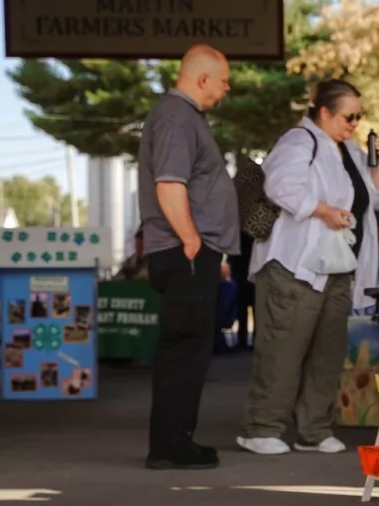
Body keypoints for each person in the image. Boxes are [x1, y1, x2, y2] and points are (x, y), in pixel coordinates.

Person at [237, 79, 379, 456]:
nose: (355, 122)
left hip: (337, 265)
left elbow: (371, 202)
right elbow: (280, 186)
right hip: (294, 264)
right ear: (324, 111)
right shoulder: (299, 141)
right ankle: (262, 426)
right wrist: (323, 210)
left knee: (327, 350)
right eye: (348, 115)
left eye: (359, 116)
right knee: (283, 346)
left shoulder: (351, 151)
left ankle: (314, 427)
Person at [137, 44, 238, 470]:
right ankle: (169, 446)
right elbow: (170, 183)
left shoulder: (185, 117)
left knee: (191, 347)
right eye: (223, 80)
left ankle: (177, 440)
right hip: (184, 250)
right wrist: (192, 239)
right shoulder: (177, 117)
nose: (227, 88)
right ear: (201, 79)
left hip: (189, 249)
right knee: (183, 348)